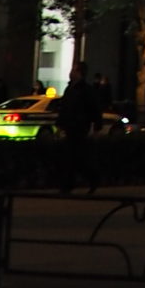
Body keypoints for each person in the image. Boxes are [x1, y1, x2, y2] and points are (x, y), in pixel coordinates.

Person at [52, 61, 104, 193]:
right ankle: (68, 184)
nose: (71, 73)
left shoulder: (86, 90)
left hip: (80, 128)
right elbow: (64, 109)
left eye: (73, 71)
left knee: (78, 157)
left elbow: (95, 109)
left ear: (79, 73)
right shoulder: (70, 89)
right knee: (69, 157)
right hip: (70, 127)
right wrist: (60, 125)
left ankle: (90, 179)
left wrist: (96, 127)